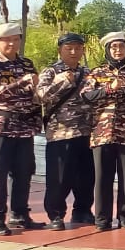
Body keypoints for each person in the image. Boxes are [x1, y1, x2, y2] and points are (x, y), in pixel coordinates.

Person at [82, 31, 125, 231]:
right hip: (102, 133)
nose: (118, 50)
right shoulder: (97, 72)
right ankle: (102, 219)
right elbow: (86, 96)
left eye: (121, 46)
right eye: (114, 47)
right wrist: (109, 88)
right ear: (107, 50)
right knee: (103, 178)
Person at [0, 23, 45, 235]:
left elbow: (35, 92)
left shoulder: (26, 64)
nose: (12, 44)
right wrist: (20, 83)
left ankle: (20, 214)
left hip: (24, 127)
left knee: (24, 172)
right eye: (7, 40)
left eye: (16, 39)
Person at [35, 32, 95, 231]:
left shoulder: (88, 72)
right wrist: (62, 82)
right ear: (60, 50)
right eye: (69, 48)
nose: (74, 52)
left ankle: (83, 211)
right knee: (59, 178)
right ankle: (56, 215)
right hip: (61, 133)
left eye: (78, 48)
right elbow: (40, 96)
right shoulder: (51, 72)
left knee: (86, 177)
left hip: (86, 132)